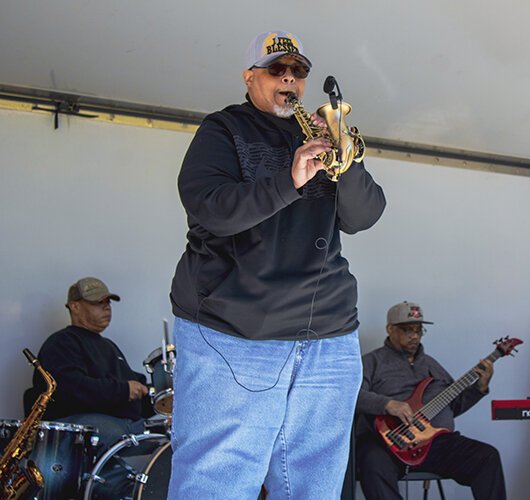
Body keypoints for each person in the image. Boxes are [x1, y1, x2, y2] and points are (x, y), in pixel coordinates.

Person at [167, 30, 385, 499]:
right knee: (217, 478)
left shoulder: (324, 135)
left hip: (327, 333)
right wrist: (290, 180)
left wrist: (346, 164)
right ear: (250, 78)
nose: (289, 79)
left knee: (315, 484)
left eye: (298, 72)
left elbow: (364, 217)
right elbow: (211, 207)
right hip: (237, 330)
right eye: (276, 70)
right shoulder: (223, 130)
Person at [355, 301, 506, 499]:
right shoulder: (371, 362)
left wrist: (480, 387)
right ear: (390, 329)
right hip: (388, 444)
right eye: (407, 330)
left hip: (435, 443)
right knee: (372, 462)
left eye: (419, 330)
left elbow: (455, 406)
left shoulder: (432, 366)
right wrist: (387, 404)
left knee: (487, 457)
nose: (414, 336)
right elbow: (352, 396)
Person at [30, 277, 150, 450]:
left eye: (108, 302)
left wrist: (162, 397)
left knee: (164, 435)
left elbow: (134, 387)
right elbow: (70, 388)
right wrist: (124, 390)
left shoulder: (109, 346)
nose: (106, 307)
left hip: (117, 425)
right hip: (81, 427)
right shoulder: (61, 342)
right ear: (75, 306)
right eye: (98, 302)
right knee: (114, 433)